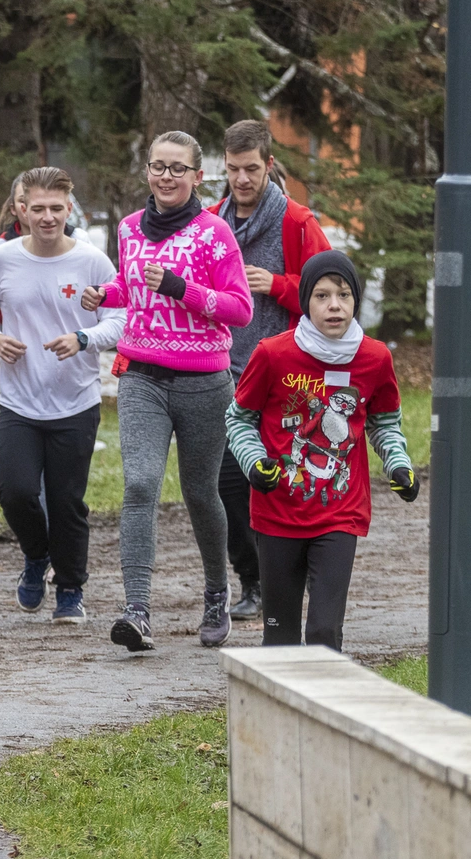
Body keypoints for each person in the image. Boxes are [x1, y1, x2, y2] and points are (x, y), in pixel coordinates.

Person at [82, 130, 252, 652]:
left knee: (202, 492)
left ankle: (217, 594)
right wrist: (104, 293)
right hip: (141, 378)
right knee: (139, 486)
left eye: (178, 168)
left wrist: (182, 288)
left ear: (198, 177)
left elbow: (240, 308)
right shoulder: (130, 228)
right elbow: (134, 288)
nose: (166, 177)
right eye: (158, 167)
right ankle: (137, 610)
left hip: (205, 382)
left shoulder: (214, 232)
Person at [226, 251, 417, 650]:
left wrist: (397, 464)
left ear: (356, 302)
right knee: (280, 638)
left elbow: (384, 424)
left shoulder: (375, 358)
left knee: (323, 635)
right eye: (323, 296)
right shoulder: (273, 354)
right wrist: (254, 462)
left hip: (339, 513)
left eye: (344, 295)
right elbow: (240, 419)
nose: (334, 305)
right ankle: (279, 713)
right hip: (277, 510)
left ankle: (325, 710)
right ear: (305, 302)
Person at [0, 167, 125, 624]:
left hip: (76, 401)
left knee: (67, 502)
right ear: (21, 208)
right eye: (37, 208)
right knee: (15, 492)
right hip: (19, 402)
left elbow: (121, 319)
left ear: (70, 208)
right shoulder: (0, 259)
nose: (47, 218)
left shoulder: (91, 261)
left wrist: (83, 338)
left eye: (56, 209)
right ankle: (37, 556)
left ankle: (69, 590)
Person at [207, 119, 331, 622]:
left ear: (270, 165)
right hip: (221, 369)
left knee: (276, 480)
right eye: (233, 169)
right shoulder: (212, 221)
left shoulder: (297, 221)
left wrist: (279, 285)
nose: (241, 179)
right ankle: (252, 580)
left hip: (284, 375)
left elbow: (330, 295)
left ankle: (289, 576)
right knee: (228, 483)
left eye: (251, 169)